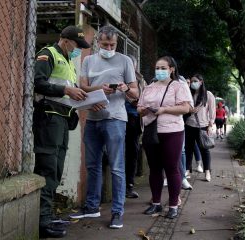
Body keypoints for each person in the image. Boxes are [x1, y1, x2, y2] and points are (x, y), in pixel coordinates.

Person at [69, 25, 138, 229]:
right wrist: (100, 90)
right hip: (92, 117)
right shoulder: (89, 60)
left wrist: (125, 88)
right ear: (98, 42)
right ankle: (92, 206)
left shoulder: (125, 61)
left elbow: (135, 93)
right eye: (105, 44)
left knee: (117, 167)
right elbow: (82, 86)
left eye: (113, 44)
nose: (109, 47)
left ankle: (117, 212)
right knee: (92, 165)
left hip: (116, 118)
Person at [33, 25, 90, 238]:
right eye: (76, 44)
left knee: (56, 168)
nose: (78, 49)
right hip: (49, 117)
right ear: (64, 40)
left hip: (63, 119)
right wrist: (66, 90)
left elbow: (69, 91)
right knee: (48, 167)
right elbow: (37, 83)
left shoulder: (68, 61)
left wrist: (85, 98)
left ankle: (46, 217)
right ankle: (42, 221)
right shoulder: (48, 54)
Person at [138, 56, 191, 219]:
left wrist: (164, 110)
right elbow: (139, 108)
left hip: (172, 131)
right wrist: (144, 110)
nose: (159, 71)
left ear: (171, 69)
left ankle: (173, 205)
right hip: (151, 131)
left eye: (163, 68)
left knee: (171, 168)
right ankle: (156, 204)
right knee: (154, 168)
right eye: (157, 68)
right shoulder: (149, 87)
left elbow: (186, 108)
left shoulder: (178, 86)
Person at [185, 74, 216, 182]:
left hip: (202, 126)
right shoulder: (189, 93)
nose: (193, 83)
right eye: (192, 81)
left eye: (195, 81)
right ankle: (187, 170)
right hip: (189, 125)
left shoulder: (208, 95)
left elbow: (212, 111)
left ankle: (207, 171)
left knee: (204, 149)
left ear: (201, 82)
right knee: (188, 149)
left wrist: (210, 125)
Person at [125, 55, 145, 198]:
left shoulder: (140, 79)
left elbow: (145, 97)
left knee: (132, 152)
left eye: (133, 64)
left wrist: (138, 101)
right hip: (118, 117)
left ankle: (129, 185)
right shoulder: (117, 75)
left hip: (134, 119)